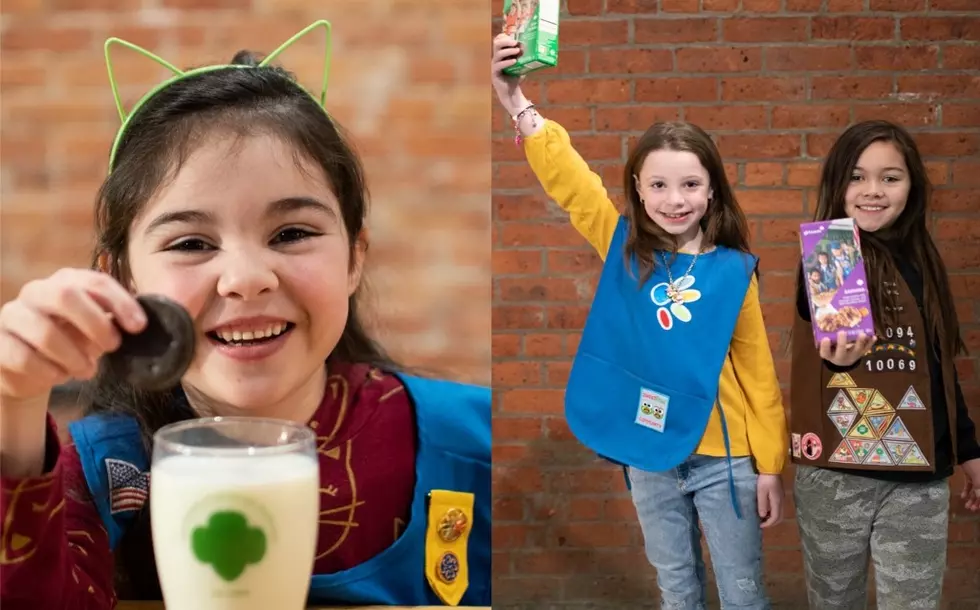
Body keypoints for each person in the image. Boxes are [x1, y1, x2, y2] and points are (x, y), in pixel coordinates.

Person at [0, 22, 490, 609]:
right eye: (190, 243)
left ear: (355, 259)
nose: (245, 278)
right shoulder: (103, 475)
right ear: (122, 278)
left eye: (291, 233)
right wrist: (15, 406)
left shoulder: (479, 440)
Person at [491, 34, 788, 610]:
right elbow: (575, 188)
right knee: (676, 590)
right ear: (637, 189)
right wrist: (516, 101)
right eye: (658, 185)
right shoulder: (626, 249)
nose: (674, 199)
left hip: (724, 459)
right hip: (648, 453)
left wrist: (770, 466)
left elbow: (758, 372)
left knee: (743, 591)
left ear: (711, 191)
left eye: (690, 184)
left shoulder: (734, 272)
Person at [789, 120, 980, 610]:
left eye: (890, 177)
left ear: (912, 187)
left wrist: (969, 449)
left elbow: (938, 366)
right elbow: (834, 336)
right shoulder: (831, 252)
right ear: (837, 184)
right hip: (836, 475)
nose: (872, 190)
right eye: (856, 176)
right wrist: (839, 360)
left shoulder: (922, 257)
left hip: (918, 479)